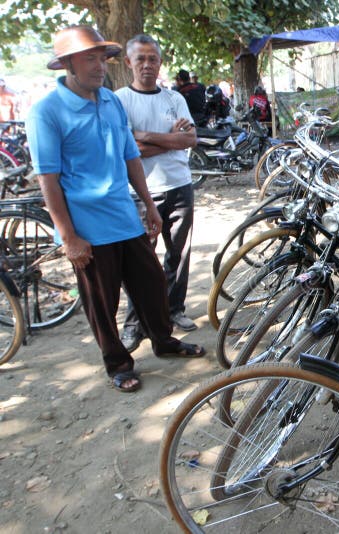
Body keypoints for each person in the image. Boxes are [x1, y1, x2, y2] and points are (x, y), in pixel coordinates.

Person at [25, 25, 205, 393]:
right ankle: (118, 363)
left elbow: (129, 156)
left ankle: (164, 341)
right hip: (86, 225)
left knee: (153, 284)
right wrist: (69, 236)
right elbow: (49, 179)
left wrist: (148, 206)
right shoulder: (46, 111)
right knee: (101, 302)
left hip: (124, 213)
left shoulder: (109, 101)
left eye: (101, 58)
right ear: (67, 64)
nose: (99, 66)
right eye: (89, 59)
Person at [115, 33, 200, 353]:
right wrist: (168, 137)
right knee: (140, 262)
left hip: (180, 186)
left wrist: (145, 137)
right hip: (141, 193)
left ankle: (173, 309)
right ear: (129, 62)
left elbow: (189, 141)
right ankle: (135, 324)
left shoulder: (174, 99)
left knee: (178, 255)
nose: (147, 65)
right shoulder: (120, 99)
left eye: (153, 59)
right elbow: (127, 150)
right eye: (141, 59)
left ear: (160, 62)